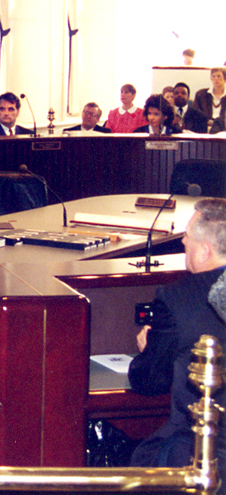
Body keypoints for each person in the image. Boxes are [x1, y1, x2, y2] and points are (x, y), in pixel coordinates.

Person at [129, 198, 226, 475]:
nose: (183, 242)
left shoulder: (176, 298)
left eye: (186, 236)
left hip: (199, 448)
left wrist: (149, 350)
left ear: (205, 251)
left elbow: (148, 381)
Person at [193, 67, 226, 134]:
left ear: (225, 78)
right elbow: (195, 113)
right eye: (213, 76)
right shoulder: (201, 94)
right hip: (204, 128)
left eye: (219, 76)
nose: (216, 79)